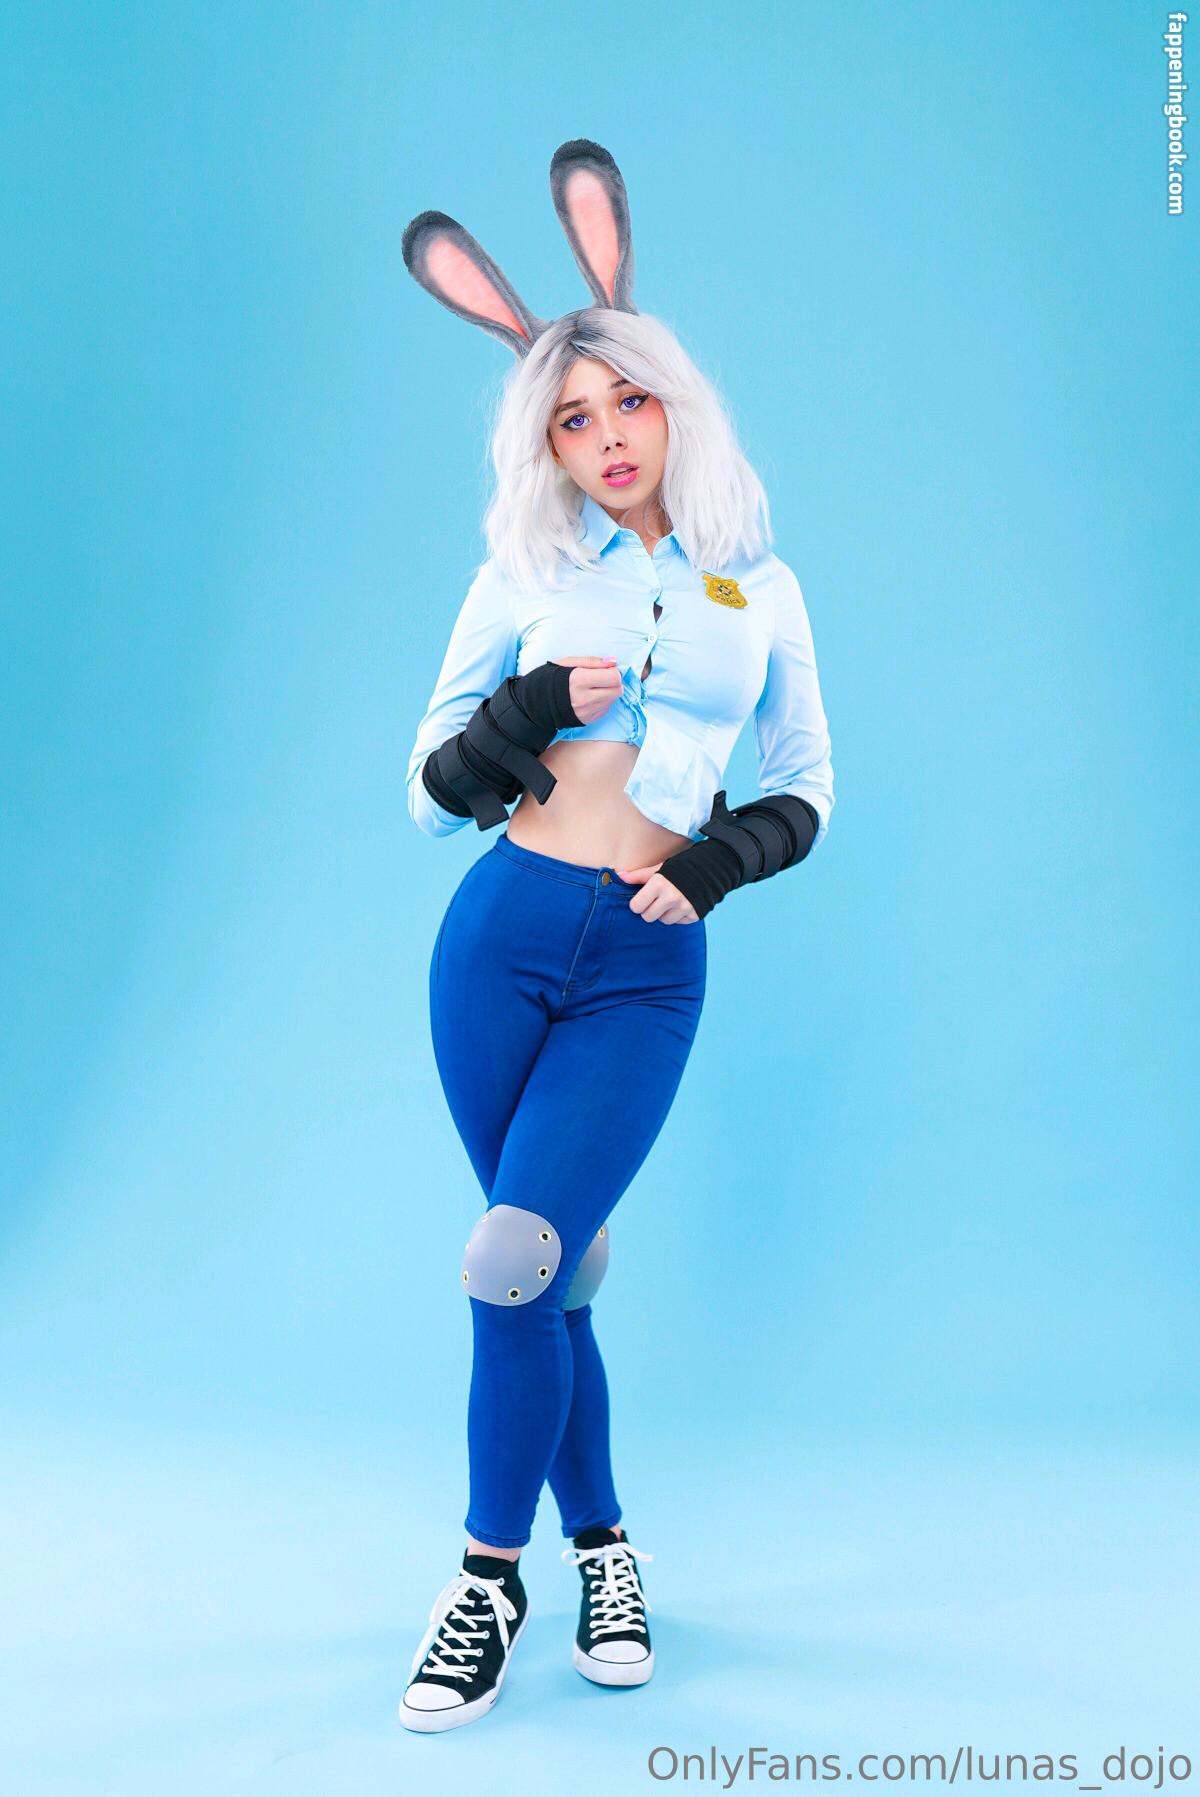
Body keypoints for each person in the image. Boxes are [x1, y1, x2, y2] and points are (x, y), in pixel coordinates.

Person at [397, 140, 834, 1733]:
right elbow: (429, 792)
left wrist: (713, 866)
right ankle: (601, 1551)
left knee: (509, 1259)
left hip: (645, 966)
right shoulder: (521, 573)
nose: (607, 438)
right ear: (549, 446)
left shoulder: (758, 587)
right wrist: (524, 708)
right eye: (572, 420)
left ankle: (482, 1576)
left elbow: (807, 783)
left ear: (673, 402)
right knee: (551, 1273)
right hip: (499, 940)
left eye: (626, 402)